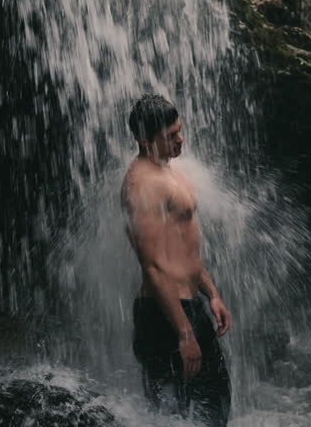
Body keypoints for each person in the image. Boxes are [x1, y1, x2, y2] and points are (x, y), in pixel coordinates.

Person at [121, 94, 232, 426]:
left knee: (214, 409)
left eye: (180, 130)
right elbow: (153, 266)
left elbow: (183, 250)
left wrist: (211, 294)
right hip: (164, 316)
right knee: (176, 417)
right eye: (170, 136)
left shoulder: (167, 169)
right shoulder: (142, 185)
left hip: (187, 306)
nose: (180, 139)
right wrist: (184, 333)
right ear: (145, 140)